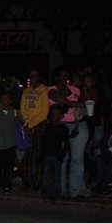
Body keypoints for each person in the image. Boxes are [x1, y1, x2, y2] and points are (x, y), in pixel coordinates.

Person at [47, 67, 89, 199]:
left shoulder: (74, 89)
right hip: (62, 125)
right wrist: (83, 105)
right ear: (56, 77)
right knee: (62, 158)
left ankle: (77, 191)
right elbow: (67, 102)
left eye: (67, 75)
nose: (65, 78)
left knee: (77, 159)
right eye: (63, 76)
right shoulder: (52, 90)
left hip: (79, 125)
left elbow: (86, 95)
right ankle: (59, 189)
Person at [0, 91, 25, 193]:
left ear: (10, 101)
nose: (4, 101)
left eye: (6, 99)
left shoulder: (14, 112)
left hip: (10, 143)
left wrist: (18, 120)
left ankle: (7, 185)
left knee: (9, 167)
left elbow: (22, 123)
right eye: (2, 99)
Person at [20, 70, 49, 191]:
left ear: (40, 77)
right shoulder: (26, 91)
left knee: (38, 154)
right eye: (31, 76)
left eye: (35, 75)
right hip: (27, 125)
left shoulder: (45, 90)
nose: (33, 78)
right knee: (27, 154)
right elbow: (22, 108)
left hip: (38, 125)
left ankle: (37, 181)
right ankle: (26, 181)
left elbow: (44, 112)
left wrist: (31, 125)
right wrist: (25, 124)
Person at [41, 105, 70, 202]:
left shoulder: (63, 128)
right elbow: (44, 141)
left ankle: (56, 194)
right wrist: (42, 153)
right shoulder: (48, 126)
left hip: (57, 155)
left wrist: (62, 155)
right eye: (52, 114)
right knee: (46, 175)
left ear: (61, 116)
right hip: (47, 154)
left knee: (57, 176)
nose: (53, 116)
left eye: (55, 114)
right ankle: (45, 193)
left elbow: (66, 143)